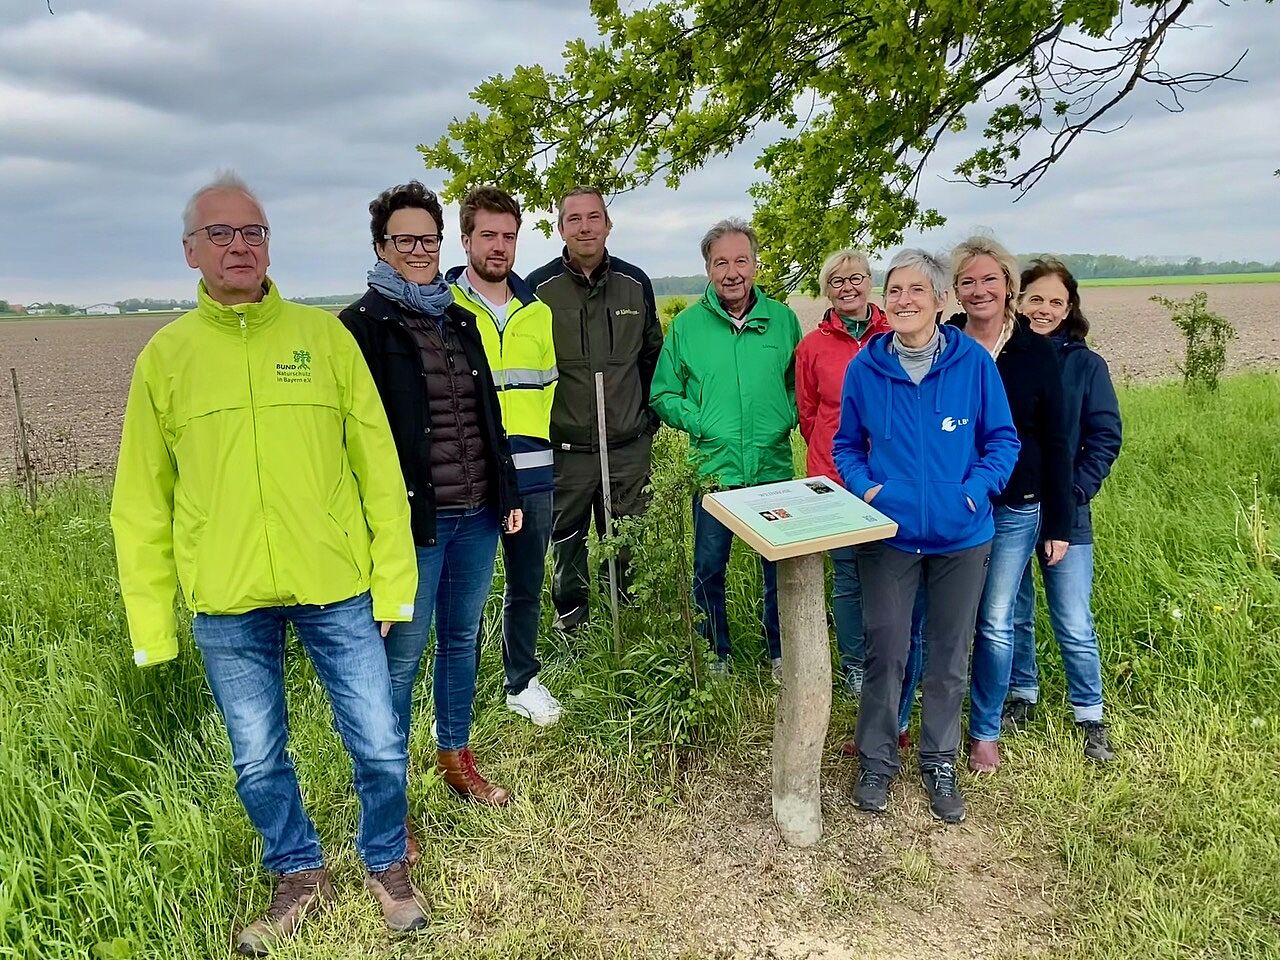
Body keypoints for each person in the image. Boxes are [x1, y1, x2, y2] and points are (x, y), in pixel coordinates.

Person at [112, 172, 427, 954]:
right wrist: (153, 626)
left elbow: (378, 470)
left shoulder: (324, 340)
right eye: (220, 234)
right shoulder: (167, 359)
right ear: (191, 251)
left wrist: (394, 580)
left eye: (252, 232)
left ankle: (386, 860)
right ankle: (297, 870)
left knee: (381, 742)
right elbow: (141, 504)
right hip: (226, 597)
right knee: (256, 756)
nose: (240, 246)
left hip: (336, 584)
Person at [341, 181, 525, 815]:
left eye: (429, 238)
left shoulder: (457, 318)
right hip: (410, 523)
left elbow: (485, 415)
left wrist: (505, 491)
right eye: (405, 239)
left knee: (463, 638)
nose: (419, 249)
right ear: (381, 246)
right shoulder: (360, 328)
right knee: (399, 659)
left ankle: (455, 755)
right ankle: (387, 796)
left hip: (475, 514)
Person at [833, 248, 1019, 824]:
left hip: (962, 537)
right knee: (885, 650)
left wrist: (973, 492)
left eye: (917, 290)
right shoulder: (868, 367)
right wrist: (869, 492)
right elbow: (846, 446)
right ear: (883, 302)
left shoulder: (973, 364)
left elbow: (1002, 442)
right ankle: (877, 760)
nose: (904, 300)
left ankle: (939, 760)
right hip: (890, 538)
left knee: (947, 654)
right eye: (895, 291)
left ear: (941, 301)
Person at [651, 218, 802, 679]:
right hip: (713, 472)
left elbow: (801, 385)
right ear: (708, 270)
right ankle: (717, 654)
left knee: (780, 570)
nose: (732, 271)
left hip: (772, 466)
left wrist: (784, 418)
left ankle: (780, 653)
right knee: (708, 568)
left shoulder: (783, 320)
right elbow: (662, 393)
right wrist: (702, 423)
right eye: (721, 262)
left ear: (756, 265)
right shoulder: (687, 328)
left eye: (741, 260)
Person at [948, 236, 1073, 774]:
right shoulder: (945, 341)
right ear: (955, 290)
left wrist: (1060, 521)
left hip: (1015, 504)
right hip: (954, 502)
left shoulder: (1036, 351)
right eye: (968, 281)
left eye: (989, 280)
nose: (979, 290)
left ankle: (985, 730)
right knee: (945, 617)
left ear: (1009, 286)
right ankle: (937, 717)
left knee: (996, 618)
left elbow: (1060, 440)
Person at [443, 186, 563, 727]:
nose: (499, 246)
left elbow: (547, 389)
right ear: (466, 239)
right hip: (465, 475)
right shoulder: (442, 308)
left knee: (526, 583)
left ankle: (521, 682)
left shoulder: (536, 312)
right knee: (458, 594)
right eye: (487, 235)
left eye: (508, 237)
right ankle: (454, 695)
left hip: (531, 471)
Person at [526, 186, 664, 635]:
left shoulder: (634, 282)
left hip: (626, 446)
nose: (585, 227)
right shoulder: (537, 289)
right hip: (565, 448)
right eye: (574, 219)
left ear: (608, 223)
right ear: (561, 227)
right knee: (566, 541)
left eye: (594, 217)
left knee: (626, 539)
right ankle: (574, 628)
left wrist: (647, 421)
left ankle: (627, 623)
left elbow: (652, 357)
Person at [1006, 258, 1122, 761]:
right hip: (1010, 508)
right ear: (1018, 301)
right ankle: (1022, 694)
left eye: (1056, 301)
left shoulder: (1085, 365)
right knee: (1014, 612)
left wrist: (1072, 494)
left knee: (1072, 617)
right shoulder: (1005, 358)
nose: (1045, 309)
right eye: (1036, 298)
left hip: (1067, 511)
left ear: (1069, 307)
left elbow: (1103, 437)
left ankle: (1089, 713)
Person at [795, 248, 891, 696]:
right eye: (836, 281)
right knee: (849, 575)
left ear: (871, 282)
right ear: (825, 290)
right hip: (833, 477)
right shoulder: (812, 347)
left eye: (856, 278)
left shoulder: (898, 334)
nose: (847, 287)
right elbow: (809, 414)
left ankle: (895, 658)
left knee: (894, 572)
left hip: (892, 474)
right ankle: (855, 663)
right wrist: (832, 455)